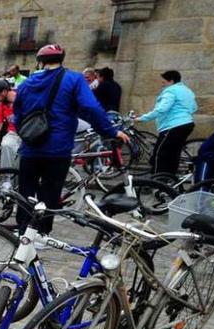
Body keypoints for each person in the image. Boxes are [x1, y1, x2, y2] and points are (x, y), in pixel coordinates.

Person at [13, 44, 128, 234]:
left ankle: (23, 230)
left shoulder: (27, 83)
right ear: (62, 59)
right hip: (58, 148)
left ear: (40, 62)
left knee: (26, 191)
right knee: (49, 193)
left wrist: (25, 134)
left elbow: (18, 113)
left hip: (30, 146)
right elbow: (90, 108)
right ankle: (40, 233)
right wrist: (110, 131)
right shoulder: (73, 79)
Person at [136, 70, 197, 175]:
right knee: (174, 154)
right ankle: (170, 178)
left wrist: (142, 118)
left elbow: (162, 109)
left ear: (171, 81)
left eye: (164, 82)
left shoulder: (170, 91)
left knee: (160, 154)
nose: (162, 85)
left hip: (172, 126)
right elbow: (194, 107)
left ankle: (157, 181)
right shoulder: (187, 91)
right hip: (187, 124)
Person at [0, 79, 20, 169]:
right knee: (6, 144)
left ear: (4, 92)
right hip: (13, 133)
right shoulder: (1, 106)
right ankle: (7, 178)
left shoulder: (22, 99)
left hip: (28, 132)